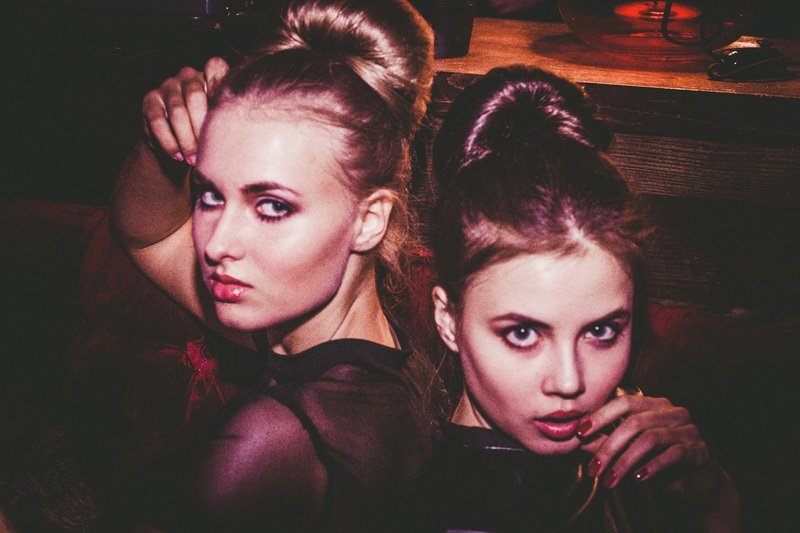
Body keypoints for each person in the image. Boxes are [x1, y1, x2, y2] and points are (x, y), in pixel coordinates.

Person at [110, 0, 440, 530]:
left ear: (368, 221)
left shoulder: (268, 440)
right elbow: (148, 234)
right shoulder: (366, 350)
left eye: (272, 206)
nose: (217, 244)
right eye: (210, 195)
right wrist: (160, 142)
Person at [412, 65, 740, 531]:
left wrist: (711, 499)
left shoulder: (623, 444)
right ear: (448, 319)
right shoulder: (464, 514)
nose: (569, 382)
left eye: (601, 331)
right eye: (522, 334)